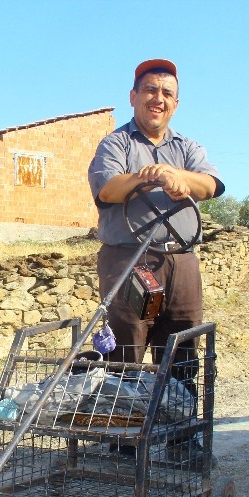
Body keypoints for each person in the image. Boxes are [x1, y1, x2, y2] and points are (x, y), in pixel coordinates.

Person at [88, 58, 225, 366]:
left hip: (181, 259)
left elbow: (211, 185)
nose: (158, 99)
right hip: (129, 258)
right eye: (150, 90)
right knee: (127, 349)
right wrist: (150, 177)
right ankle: (126, 410)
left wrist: (175, 175)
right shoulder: (115, 144)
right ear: (133, 97)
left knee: (183, 347)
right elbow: (108, 189)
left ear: (175, 104)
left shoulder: (188, 147)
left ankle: (180, 411)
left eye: (166, 93)